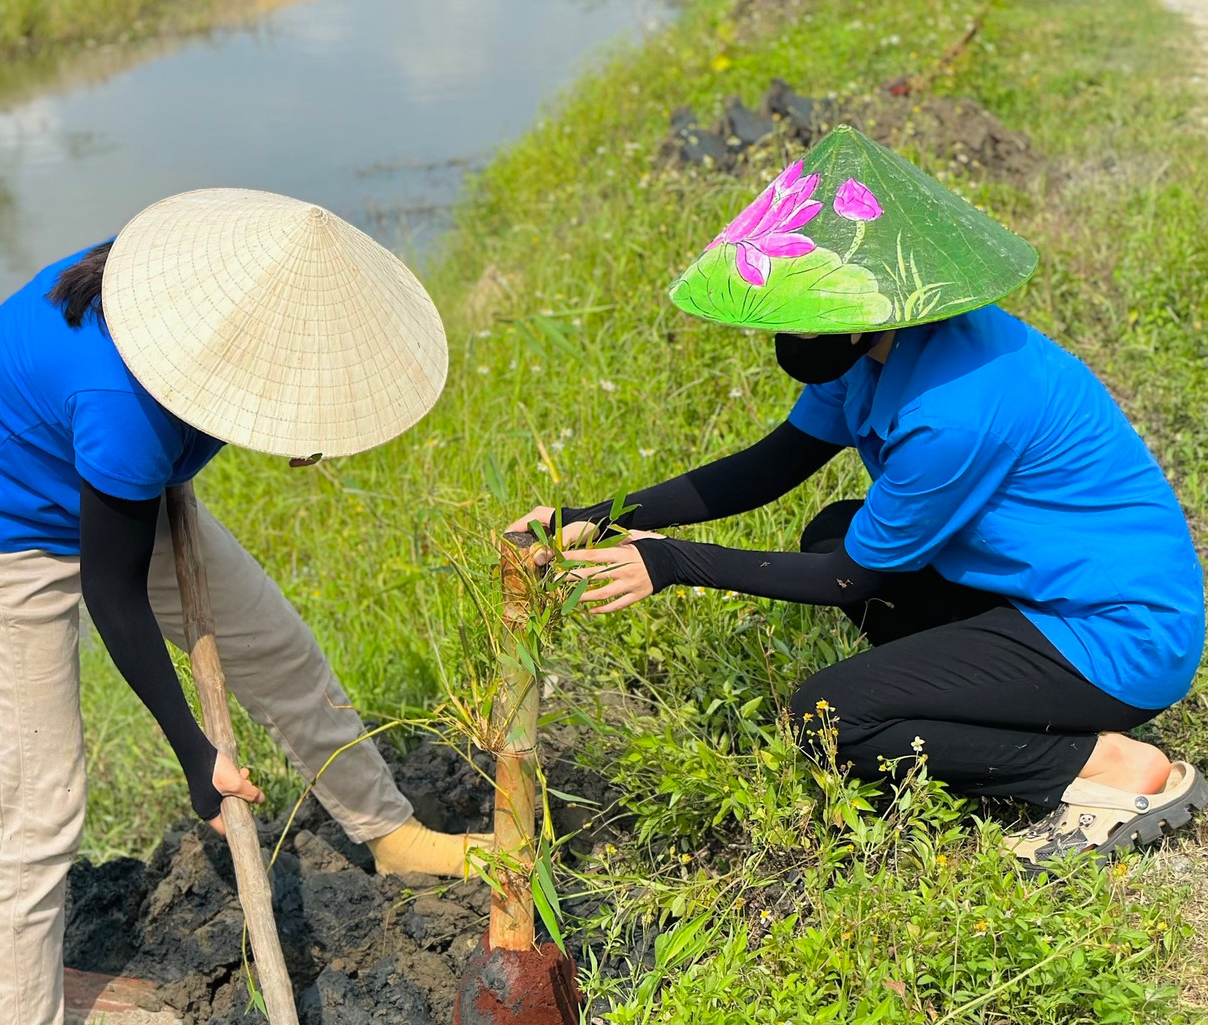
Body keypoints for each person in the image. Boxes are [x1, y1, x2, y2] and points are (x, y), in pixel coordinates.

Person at [510, 126, 1206, 871]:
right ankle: (949, 713)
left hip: (1114, 638)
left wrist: (673, 561)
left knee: (826, 718)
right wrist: (591, 517)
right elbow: (769, 468)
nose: (787, 331)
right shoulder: (879, 343)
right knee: (832, 526)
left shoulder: (956, 407)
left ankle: (1099, 764)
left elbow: (851, 579)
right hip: (1041, 598)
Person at [0, 188, 490, 1025]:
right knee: (35, 811)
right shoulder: (123, 406)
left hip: (112, 482)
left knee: (281, 651)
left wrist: (304, 415)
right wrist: (195, 756)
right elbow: (112, 594)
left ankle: (391, 835)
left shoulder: (212, 303)